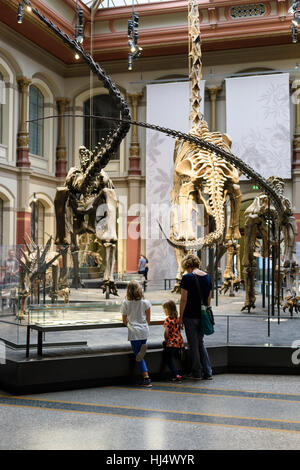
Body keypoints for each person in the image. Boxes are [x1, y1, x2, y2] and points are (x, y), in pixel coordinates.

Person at [179, 254, 213, 380]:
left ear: (186, 265)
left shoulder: (187, 278)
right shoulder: (207, 277)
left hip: (190, 315)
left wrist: (180, 317)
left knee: (193, 344)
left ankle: (197, 372)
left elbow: (183, 299)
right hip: (202, 315)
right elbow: (209, 299)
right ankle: (208, 371)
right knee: (200, 342)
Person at [121, 280, 152, 388]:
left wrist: (130, 323)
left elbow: (124, 320)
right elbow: (148, 320)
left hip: (134, 332)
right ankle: (144, 376)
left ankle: (146, 378)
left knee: (139, 357)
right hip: (144, 331)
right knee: (140, 355)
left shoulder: (125, 303)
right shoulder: (146, 302)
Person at [162, 300, 184, 382]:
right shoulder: (177, 319)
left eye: (164, 309)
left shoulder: (167, 320)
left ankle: (176, 375)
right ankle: (183, 372)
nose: (163, 311)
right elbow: (180, 328)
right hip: (178, 342)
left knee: (169, 360)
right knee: (177, 358)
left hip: (171, 343)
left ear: (167, 310)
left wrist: (166, 340)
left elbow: (166, 332)